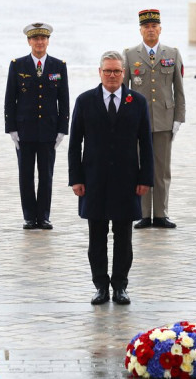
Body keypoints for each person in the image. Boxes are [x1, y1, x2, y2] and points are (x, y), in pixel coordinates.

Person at [68, 51, 153, 306]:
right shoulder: (85, 101)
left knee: (123, 237)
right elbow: (75, 144)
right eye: (108, 71)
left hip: (127, 181)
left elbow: (146, 144)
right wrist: (76, 179)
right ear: (100, 72)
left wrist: (145, 178)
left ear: (123, 73)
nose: (112, 75)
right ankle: (100, 286)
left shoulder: (137, 101)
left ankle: (120, 286)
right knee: (97, 237)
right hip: (94, 180)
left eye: (117, 71)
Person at [123, 9, 185, 229]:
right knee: (139, 167)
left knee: (162, 169)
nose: (150, 30)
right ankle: (142, 213)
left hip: (164, 119)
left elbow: (179, 88)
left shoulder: (172, 53)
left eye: (154, 26)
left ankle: (160, 213)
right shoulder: (130, 54)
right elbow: (124, 91)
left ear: (160, 29)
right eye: (146, 27)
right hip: (138, 121)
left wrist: (179, 118)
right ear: (140, 30)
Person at [5, 22, 69, 230]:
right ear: (29, 41)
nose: (39, 42)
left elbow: (64, 100)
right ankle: (29, 216)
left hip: (48, 130)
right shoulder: (18, 65)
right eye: (35, 39)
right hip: (24, 130)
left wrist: (62, 129)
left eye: (43, 39)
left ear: (48, 41)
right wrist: (11, 128)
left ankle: (44, 216)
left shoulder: (58, 66)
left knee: (46, 175)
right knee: (25, 175)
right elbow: (10, 99)